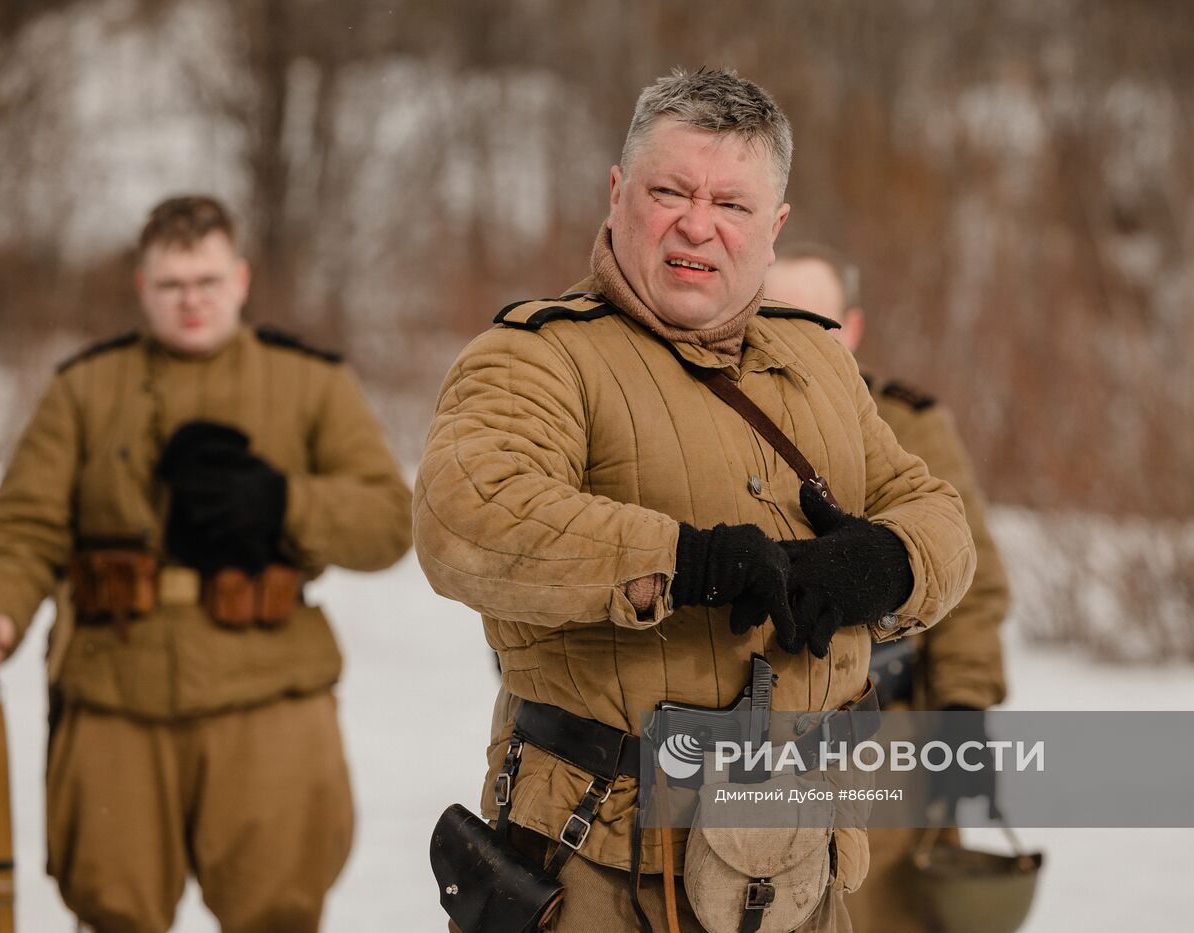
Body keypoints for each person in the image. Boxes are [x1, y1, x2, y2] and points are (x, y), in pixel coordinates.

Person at [415, 69, 976, 932]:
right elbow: (468, 515)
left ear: (775, 228)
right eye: (669, 190)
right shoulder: (536, 357)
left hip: (799, 861)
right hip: (598, 860)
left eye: (732, 204)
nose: (696, 224)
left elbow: (936, 513)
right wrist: (686, 562)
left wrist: (887, 562)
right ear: (617, 193)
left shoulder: (819, 360)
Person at [0, 195, 413, 933]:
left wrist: (284, 502)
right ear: (143, 288)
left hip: (268, 690)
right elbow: (22, 524)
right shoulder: (84, 388)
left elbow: (391, 521)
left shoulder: (310, 383)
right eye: (172, 285)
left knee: (278, 909)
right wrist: (0, 610)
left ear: (240, 278)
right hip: (116, 688)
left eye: (206, 281)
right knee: (112, 908)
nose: (192, 300)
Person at [767, 244, 1011, 933]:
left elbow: (975, 585)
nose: (798, 337)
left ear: (852, 326)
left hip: (886, 736)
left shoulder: (904, 424)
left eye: (816, 320)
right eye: (775, 315)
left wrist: (965, 709)